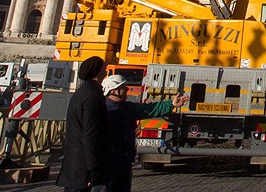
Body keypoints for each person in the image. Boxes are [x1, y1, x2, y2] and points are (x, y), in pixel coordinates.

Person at [101, 74, 189, 192]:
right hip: (109, 165)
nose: (127, 89)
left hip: (125, 163)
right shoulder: (104, 110)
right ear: (113, 91)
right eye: (123, 87)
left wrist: (171, 104)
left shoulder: (128, 108)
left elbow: (149, 109)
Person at [58, 56, 109, 192]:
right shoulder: (93, 96)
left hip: (74, 165)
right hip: (83, 168)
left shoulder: (81, 93)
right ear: (97, 72)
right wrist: (93, 170)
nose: (106, 70)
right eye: (104, 68)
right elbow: (90, 135)